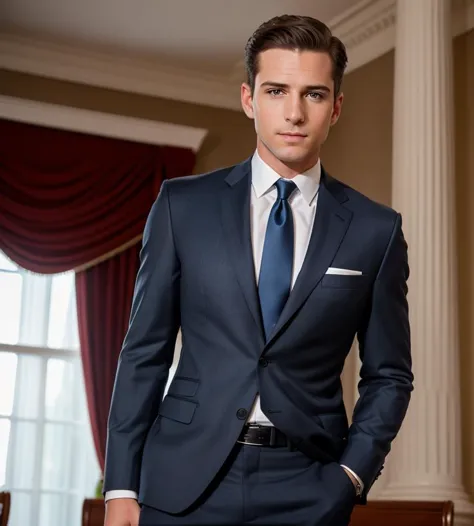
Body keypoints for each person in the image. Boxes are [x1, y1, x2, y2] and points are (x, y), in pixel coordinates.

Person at [103, 14, 414, 526]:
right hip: (183, 480)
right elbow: (144, 353)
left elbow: (389, 374)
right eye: (276, 91)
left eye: (313, 95)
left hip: (308, 486)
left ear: (335, 108)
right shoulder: (184, 206)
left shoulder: (374, 231)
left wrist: (351, 475)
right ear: (249, 99)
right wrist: (119, 486)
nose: (293, 112)